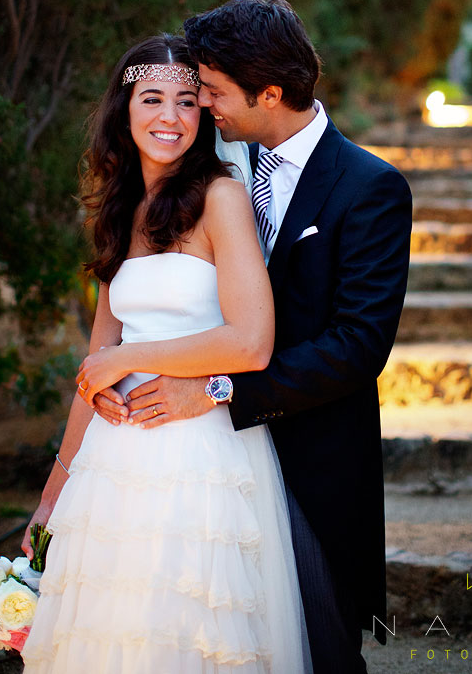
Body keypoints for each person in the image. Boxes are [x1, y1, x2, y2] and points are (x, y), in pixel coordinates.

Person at [94, 0, 412, 674]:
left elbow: (356, 347)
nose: (200, 105)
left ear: (268, 93)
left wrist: (217, 388)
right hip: (196, 464)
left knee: (314, 645)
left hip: (309, 458)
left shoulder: (368, 188)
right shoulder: (215, 174)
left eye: (211, 92)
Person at [21, 33, 311, 674]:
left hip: (200, 448)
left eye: (187, 102)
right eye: (152, 99)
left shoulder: (221, 198)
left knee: (187, 627)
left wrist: (131, 358)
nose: (170, 118)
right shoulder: (118, 210)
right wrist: (52, 494)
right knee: (111, 632)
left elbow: (252, 341)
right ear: (124, 111)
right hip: (114, 461)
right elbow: (94, 368)